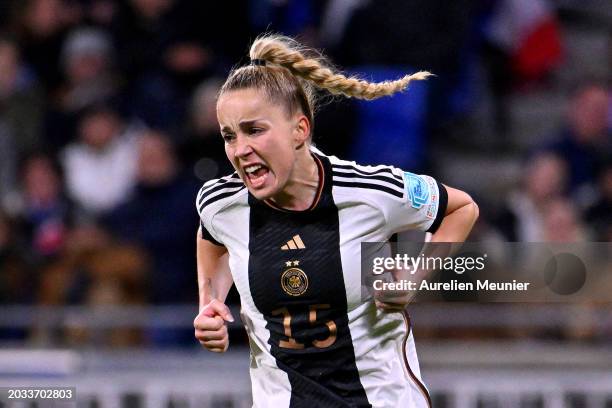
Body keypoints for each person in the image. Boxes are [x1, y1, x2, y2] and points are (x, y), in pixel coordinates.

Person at [193, 34, 478, 407]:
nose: (240, 149)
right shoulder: (221, 202)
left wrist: (414, 277)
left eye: (254, 130)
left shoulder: (371, 192)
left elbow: (461, 208)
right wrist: (209, 302)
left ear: (300, 130)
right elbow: (211, 235)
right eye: (229, 136)